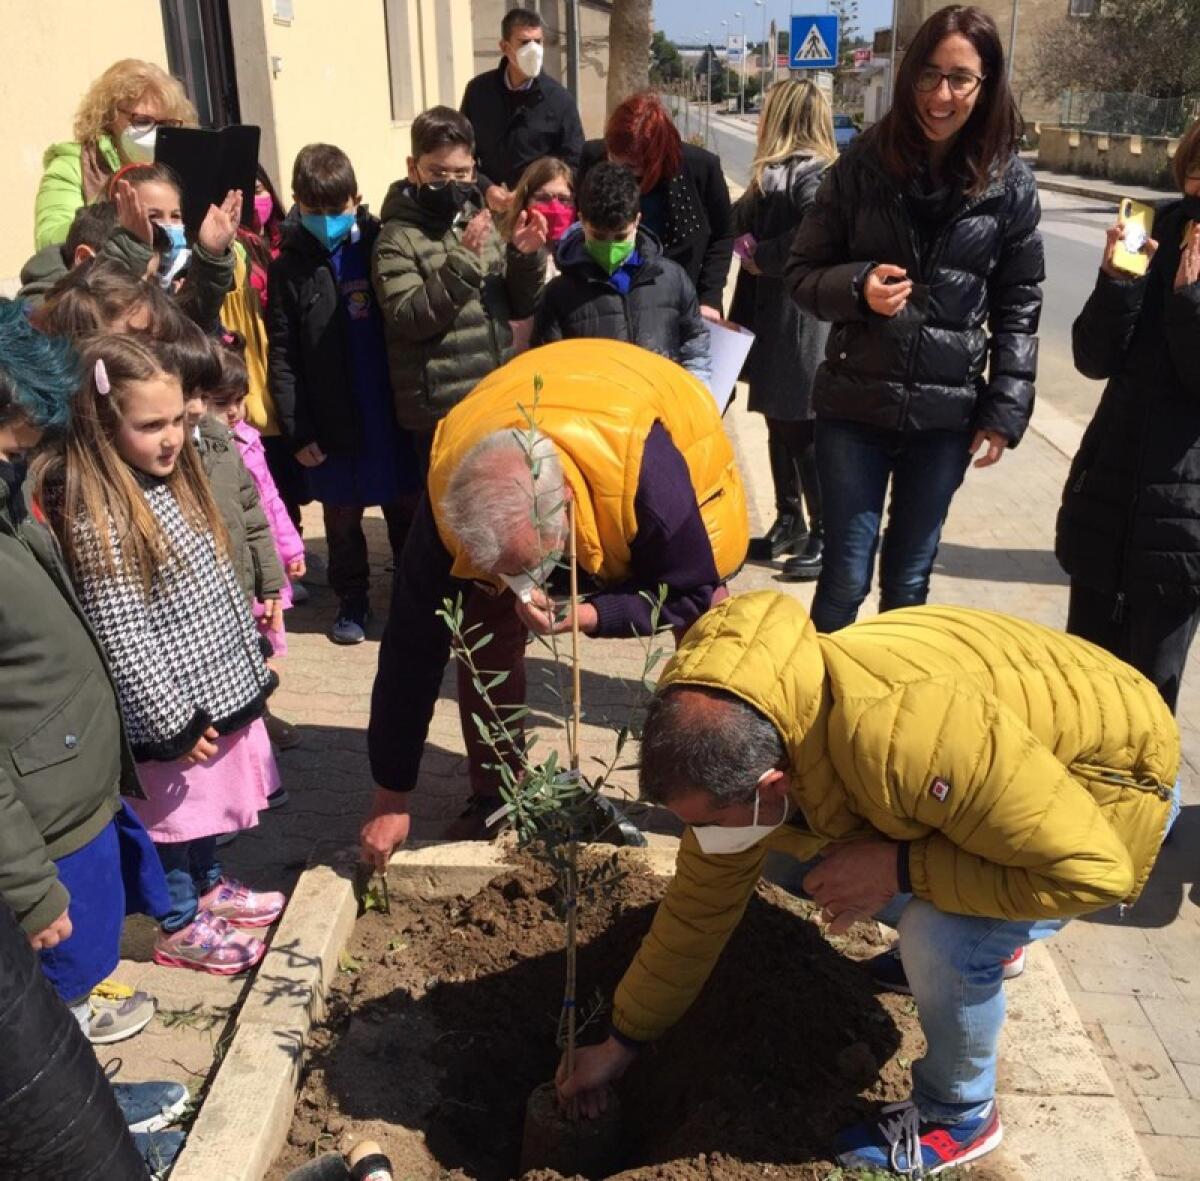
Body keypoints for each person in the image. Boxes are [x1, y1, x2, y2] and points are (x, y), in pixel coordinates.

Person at [556, 589, 1178, 1176]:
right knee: (778, 855)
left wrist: (898, 869)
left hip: (1109, 784)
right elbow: (698, 908)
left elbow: (1092, 873)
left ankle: (959, 1115)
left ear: (772, 785)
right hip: (999, 778)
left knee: (943, 937)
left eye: (707, 821)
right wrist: (622, 1042)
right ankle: (987, 937)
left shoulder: (902, 742)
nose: (701, 837)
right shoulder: (764, 713)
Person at [360, 339, 749, 857]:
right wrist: (391, 797)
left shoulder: (653, 483)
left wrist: (588, 614)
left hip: (654, 431)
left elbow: (688, 592)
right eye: (506, 570)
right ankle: (499, 796)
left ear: (563, 501)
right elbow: (411, 647)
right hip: (537, 414)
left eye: (529, 564)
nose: (524, 584)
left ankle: (720, 801)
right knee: (480, 628)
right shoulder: (446, 494)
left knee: (707, 646)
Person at [31, 333, 285, 976]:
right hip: (172, 706)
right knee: (173, 820)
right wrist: (169, 720)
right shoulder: (105, 512)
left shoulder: (171, 480)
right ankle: (176, 919)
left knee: (205, 811)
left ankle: (208, 884)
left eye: (177, 419)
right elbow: (123, 634)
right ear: (104, 422)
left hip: (204, 686)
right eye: (150, 425)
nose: (171, 436)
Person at [786, 5, 1043, 634]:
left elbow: (1021, 302)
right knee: (845, 574)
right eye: (928, 76)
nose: (941, 95)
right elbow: (799, 276)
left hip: (944, 418)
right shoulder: (861, 166)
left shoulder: (1009, 184)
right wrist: (857, 285)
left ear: (986, 88)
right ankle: (822, 718)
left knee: (909, 580)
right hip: (854, 408)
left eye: (960, 79)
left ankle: (888, 716)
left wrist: (1005, 407)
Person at [1057, 118, 1200, 714]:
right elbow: (1092, 358)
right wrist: (1116, 283)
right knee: (1082, 689)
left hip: (1181, 519)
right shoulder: (1152, 228)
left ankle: (1149, 808)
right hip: (1107, 496)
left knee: (1149, 700)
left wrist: (1187, 302)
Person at [268, 143, 422, 646]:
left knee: (403, 505)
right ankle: (351, 597)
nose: (328, 220)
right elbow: (284, 356)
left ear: (357, 200)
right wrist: (298, 430)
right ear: (297, 203)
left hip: (386, 412)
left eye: (338, 210)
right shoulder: (288, 266)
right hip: (328, 422)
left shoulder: (378, 247)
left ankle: (410, 588)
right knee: (341, 516)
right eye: (315, 211)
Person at [371, 106, 548, 453]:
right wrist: (464, 261)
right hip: (441, 414)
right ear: (413, 168)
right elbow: (410, 318)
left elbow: (519, 305)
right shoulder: (396, 238)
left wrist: (524, 258)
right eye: (438, 173)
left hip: (495, 399)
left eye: (462, 173)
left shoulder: (478, 221)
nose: (451, 185)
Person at [731, 79, 836, 577]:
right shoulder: (775, 174)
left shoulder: (814, 174)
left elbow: (815, 231)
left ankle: (825, 532)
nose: (760, 119)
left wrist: (764, 258)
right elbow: (738, 218)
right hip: (777, 314)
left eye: (768, 111)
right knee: (778, 418)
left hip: (802, 319)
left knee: (802, 425)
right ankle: (789, 521)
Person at [209, 337, 307, 751]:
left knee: (261, 643)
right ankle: (240, 718)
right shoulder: (204, 452)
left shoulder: (250, 439)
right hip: (231, 571)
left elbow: (270, 502)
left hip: (262, 566)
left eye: (240, 399)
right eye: (221, 401)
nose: (233, 411)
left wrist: (292, 549)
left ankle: (260, 712)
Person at [532, 162, 711, 382]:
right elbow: (548, 369)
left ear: (637, 220)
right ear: (581, 220)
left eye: (619, 237)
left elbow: (694, 344)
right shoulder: (559, 295)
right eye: (598, 236)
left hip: (660, 409)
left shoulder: (671, 279)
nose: (609, 247)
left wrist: (696, 393)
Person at [580, 92, 734, 319]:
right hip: (608, 304)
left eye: (631, 167)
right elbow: (580, 223)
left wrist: (709, 298)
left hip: (680, 303)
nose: (621, 173)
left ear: (654, 159)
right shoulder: (593, 156)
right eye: (614, 159)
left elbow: (722, 235)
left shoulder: (702, 168)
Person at [34, 58, 198, 251]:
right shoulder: (73, 166)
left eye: (165, 125)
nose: (155, 132)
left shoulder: (181, 166)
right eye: (142, 121)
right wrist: (117, 215)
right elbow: (49, 240)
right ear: (109, 116)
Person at [459, 6, 584, 214]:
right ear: (505, 47)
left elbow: (574, 163)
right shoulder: (478, 92)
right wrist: (486, 187)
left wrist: (531, 191)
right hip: (485, 210)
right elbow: (462, 151)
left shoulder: (560, 100)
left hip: (539, 213)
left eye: (538, 41)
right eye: (525, 42)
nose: (533, 49)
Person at [502, 156, 577, 352]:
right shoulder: (505, 254)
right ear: (525, 202)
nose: (554, 208)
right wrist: (524, 255)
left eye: (563, 199)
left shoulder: (582, 254)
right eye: (543, 198)